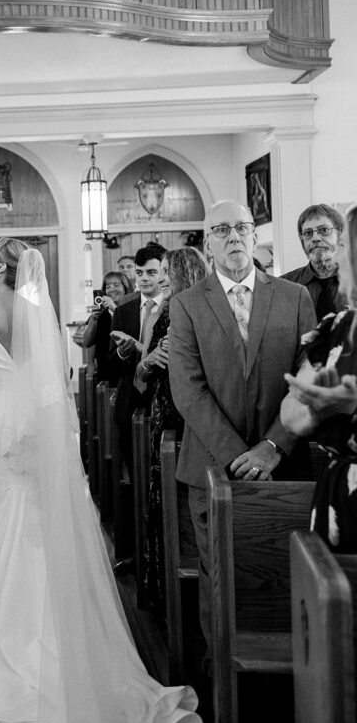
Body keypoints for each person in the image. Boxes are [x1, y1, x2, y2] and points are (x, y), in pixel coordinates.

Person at [0, 239, 202, 723]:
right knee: (31, 517)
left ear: (0, 271)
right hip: (34, 422)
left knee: (6, 510)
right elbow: (55, 381)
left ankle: (12, 624)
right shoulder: (35, 307)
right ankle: (51, 615)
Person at [168, 200, 317, 647]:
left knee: (286, 581)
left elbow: (309, 376)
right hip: (213, 467)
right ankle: (222, 688)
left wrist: (272, 447)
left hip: (285, 465)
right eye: (221, 230)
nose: (233, 237)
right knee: (221, 582)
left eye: (241, 228)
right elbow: (188, 390)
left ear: (255, 236)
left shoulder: (294, 297)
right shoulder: (187, 305)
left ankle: (289, 690)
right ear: (207, 242)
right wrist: (240, 455)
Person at [134, 247, 209, 611]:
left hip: (194, 417)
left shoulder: (206, 312)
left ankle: (189, 601)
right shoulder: (165, 313)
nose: (162, 277)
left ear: (185, 272)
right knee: (162, 501)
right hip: (164, 415)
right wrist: (148, 360)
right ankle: (162, 592)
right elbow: (139, 378)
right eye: (158, 270)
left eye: (167, 270)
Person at [281, 203, 357, 552]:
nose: (318, 241)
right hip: (341, 492)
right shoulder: (336, 327)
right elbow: (291, 413)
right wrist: (316, 409)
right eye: (307, 233)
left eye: (324, 232)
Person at [107, 242, 167, 559]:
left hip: (164, 404)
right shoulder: (125, 310)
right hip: (132, 404)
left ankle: (159, 552)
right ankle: (133, 552)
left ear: (164, 272)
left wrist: (147, 351)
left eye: (152, 272)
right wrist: (122, 351)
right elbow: (110, 363)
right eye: (140, 273)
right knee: (134, 480)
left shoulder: (175, 305)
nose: (144, 279)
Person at [281, 203, 348, 321]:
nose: (315, 238)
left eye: (324, 230)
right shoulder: (284, 286)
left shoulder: (354, 280)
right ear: (302, 241)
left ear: (340, 235)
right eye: (308, 233)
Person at [81, 269, 131, 379]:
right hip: (104, 370)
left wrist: (114, 308)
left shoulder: (132, 310)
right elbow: (87, 342)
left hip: (127, 370)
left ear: (125, 288)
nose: (112, 289)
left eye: (116, 285)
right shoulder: (101, 314)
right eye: (108, 286)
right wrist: (93, 320)